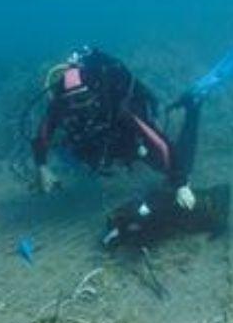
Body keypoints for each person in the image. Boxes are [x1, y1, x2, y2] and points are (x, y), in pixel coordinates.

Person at [31, 47, 199, 211]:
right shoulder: (61, 104)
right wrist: (42, 167)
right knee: (75, 152)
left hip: (126, 137)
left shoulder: (118, 104)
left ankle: (193, 106)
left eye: (83, 98)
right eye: (72, 100)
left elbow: (160, 142)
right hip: (96, 143)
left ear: (94, 92)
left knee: (178, 166)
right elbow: (43, 134)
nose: (78, 105)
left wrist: (181, 183)